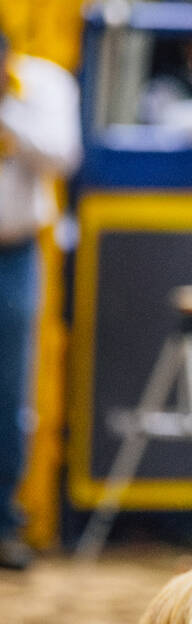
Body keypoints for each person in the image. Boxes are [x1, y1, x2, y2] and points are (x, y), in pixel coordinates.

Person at [0, 31, 81, 570]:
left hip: (14, 252)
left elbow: (62, 155)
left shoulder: (43, 84)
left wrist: (7, 109)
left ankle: (5, 523)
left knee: (9, 392)